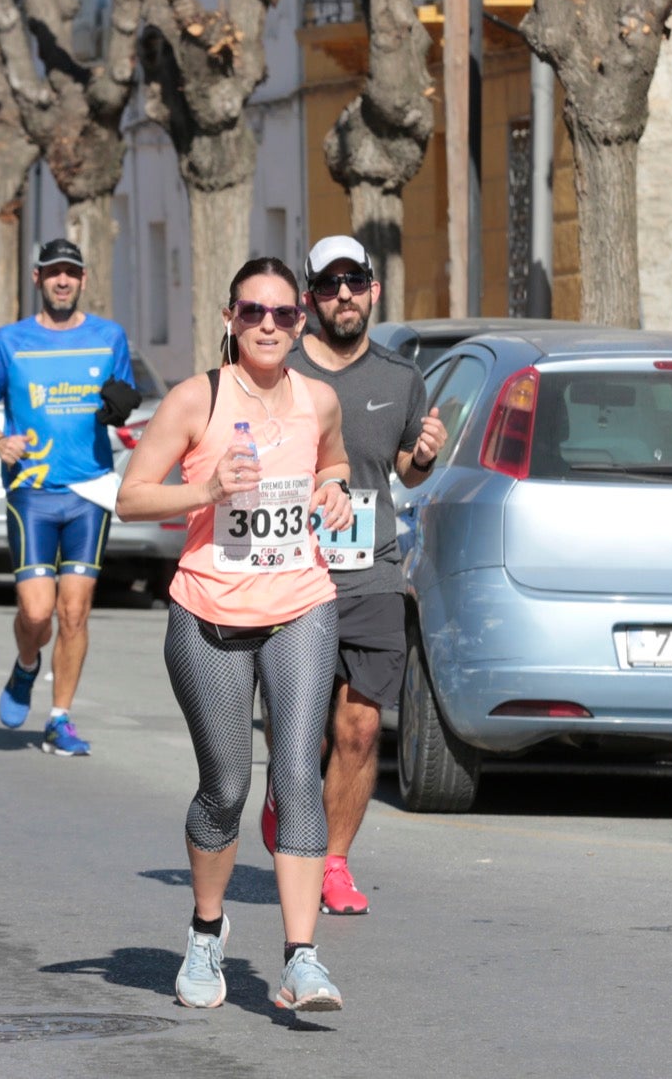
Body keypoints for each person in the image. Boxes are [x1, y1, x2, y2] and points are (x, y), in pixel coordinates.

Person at [116, 256, 354, 1015]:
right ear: (230, 317)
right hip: (210, 611)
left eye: (286, 314)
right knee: (226, 787)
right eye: (255, 312)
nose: (270, 326)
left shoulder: (318, 398)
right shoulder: (197, 399)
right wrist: (207, 489)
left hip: (301, 601)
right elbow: (130, 497)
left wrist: (335, 488)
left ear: (301, 322)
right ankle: (207, 931)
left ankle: (303, 958)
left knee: (298, 774)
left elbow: (337, 460)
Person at [260, 236, 447, 916]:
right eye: (331, 282)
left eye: (356, 281)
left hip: (370, 570)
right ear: (309, 296)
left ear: (372, 290)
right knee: (298, 726)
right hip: (288, 573)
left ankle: (333, 860)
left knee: (362, 728)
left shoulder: (400, 378)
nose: (345, 294)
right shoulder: (279, 371)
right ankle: (286, 797)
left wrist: (424, 454)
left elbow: (406, 469)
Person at [0, 238, 135, 756]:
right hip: (32, 491)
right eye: (53, 272)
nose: (62, 281)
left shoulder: (109, 337)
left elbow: (123, 396)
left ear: (84, 280)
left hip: (90, 489)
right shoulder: (9, 341)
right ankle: (26, 665)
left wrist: (120, 405)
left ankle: (59, 718)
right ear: (37, 278)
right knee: (38, 612)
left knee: (74, 612)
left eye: (71, 273)